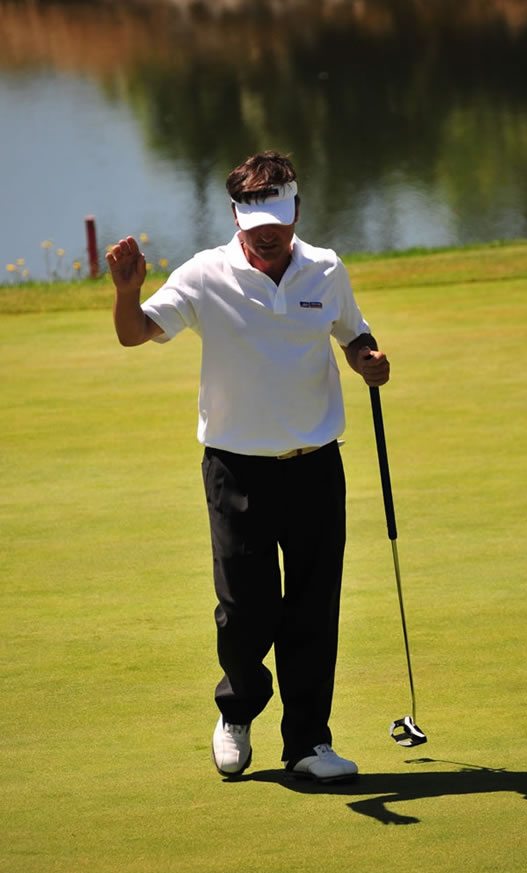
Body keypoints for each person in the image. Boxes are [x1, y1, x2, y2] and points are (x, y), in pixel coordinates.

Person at [107, 150, 390, 783]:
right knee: (245, 608)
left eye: (278, 225)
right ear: (237, 217)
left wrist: (369, 360)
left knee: (314, 608)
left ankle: (309, 742)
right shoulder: (204, 274)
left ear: (296, 214)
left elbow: (354, 334)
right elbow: (135, 333)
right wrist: (127, 293)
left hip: (316, 467)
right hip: (237, 470)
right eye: (256, 226)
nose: (268, 238)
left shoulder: (325, 268)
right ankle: (236, 713)